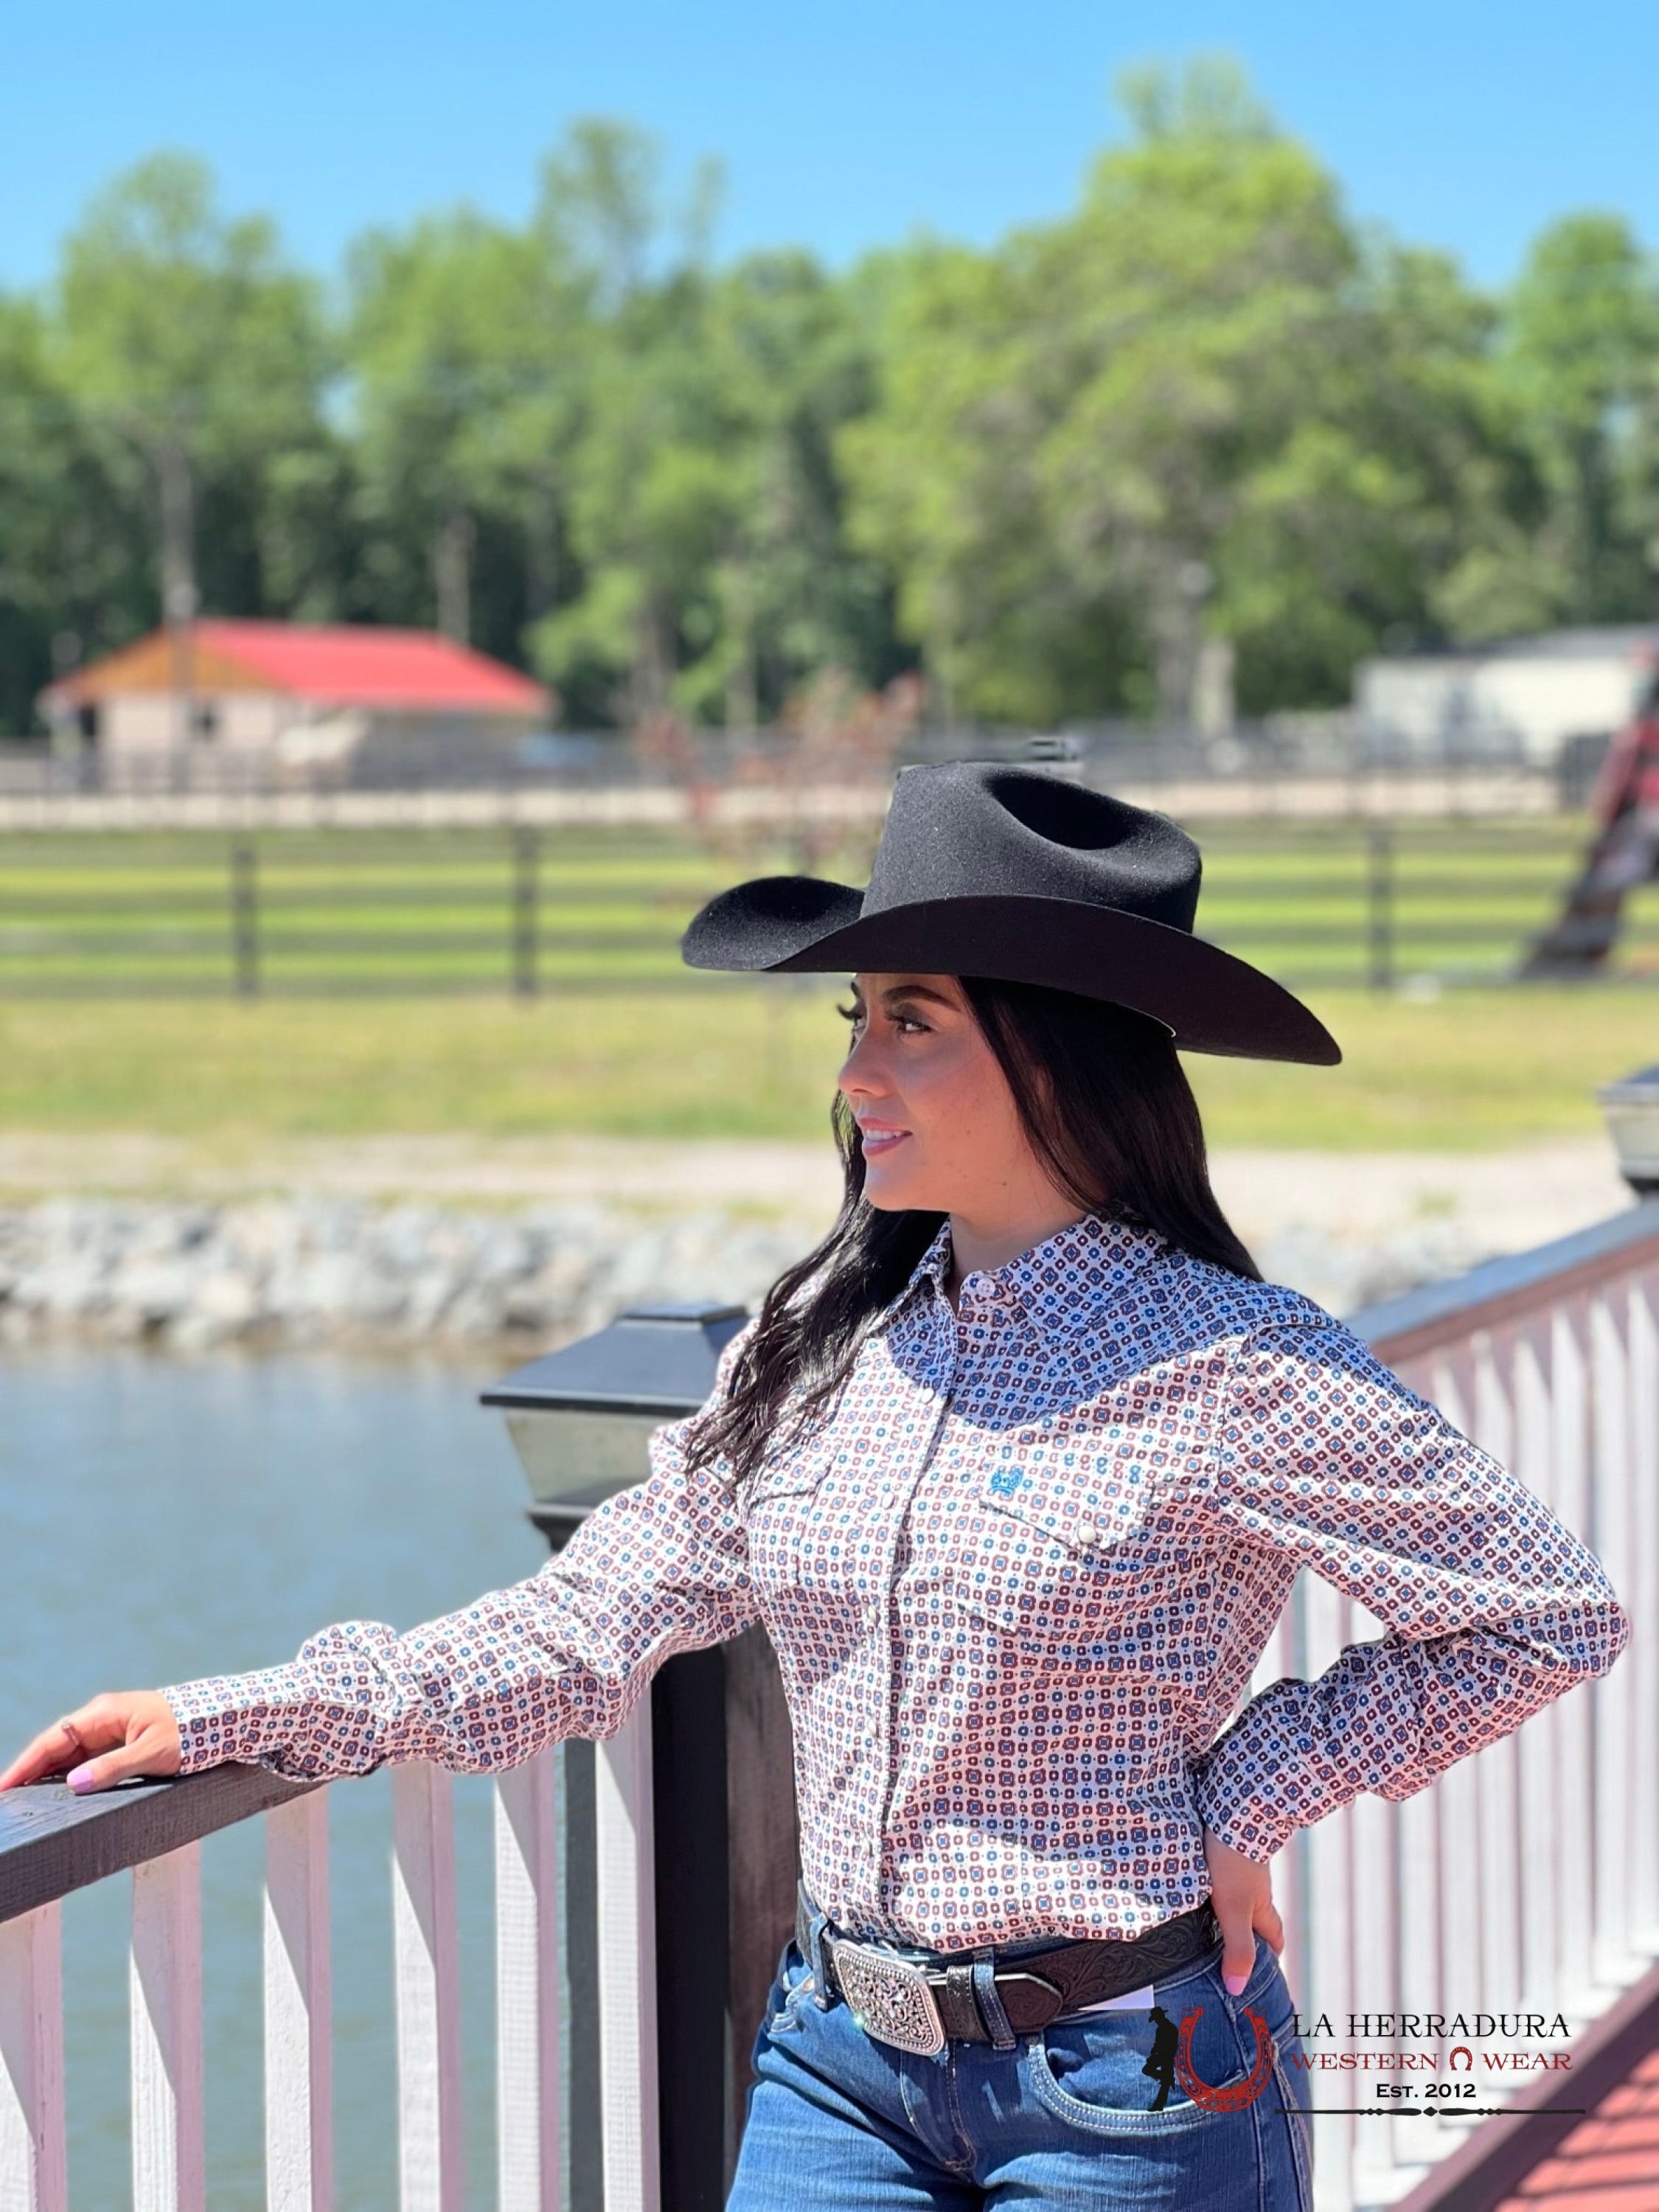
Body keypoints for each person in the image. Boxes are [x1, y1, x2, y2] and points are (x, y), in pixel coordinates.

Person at [1, 765, 1633, 2211]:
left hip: (1129, 2092)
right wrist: (243, 1713)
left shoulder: (1234, 1364)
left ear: (1059, 1054)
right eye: (854, 1019)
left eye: (910, 1019)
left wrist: (1243, 1794)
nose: (858, 1073)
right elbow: (585, 1624)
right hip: (836, 2070)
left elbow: (1540, 1618)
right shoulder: (819, 1339)